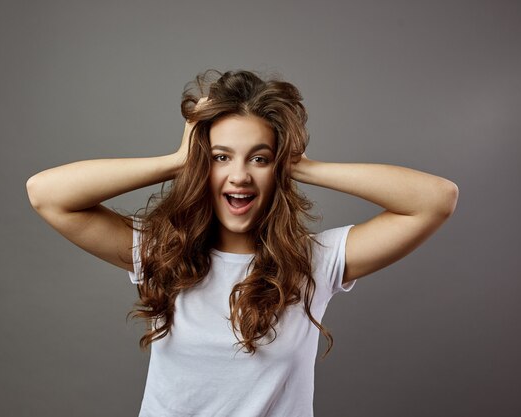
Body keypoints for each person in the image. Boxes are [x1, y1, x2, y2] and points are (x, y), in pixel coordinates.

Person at [26, 69, 458, 417]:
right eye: (220, 157)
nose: (239, 176)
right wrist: (177, 160)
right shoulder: (163, 251)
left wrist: (303, 165)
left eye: (259, 158)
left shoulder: (314, 261)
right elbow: (47, 194)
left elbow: (435, 200)